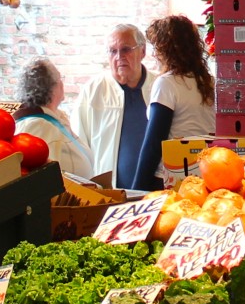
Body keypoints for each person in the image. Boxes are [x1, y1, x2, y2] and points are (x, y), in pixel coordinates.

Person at [118, 15, 215, 192]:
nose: (155, 54)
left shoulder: (167, 84)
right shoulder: (208, 83)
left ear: (167, 50)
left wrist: (135, 191)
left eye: (157, 47)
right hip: (204, 174)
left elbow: (154, 142)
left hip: (170, 178)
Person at [70, 24, 159, 183]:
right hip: (110, 194)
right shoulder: (93, 91)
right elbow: (79, 147)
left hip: (157, 192)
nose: (119, 57)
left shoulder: (159, 87)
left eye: (126, 49)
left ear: (143, 51)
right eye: (113, 51)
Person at [14, 59, 96, 181]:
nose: (62, 84)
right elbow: (50, 178)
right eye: (59, 80)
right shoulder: (38, 127)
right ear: (53, 87)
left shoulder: (51, 119)